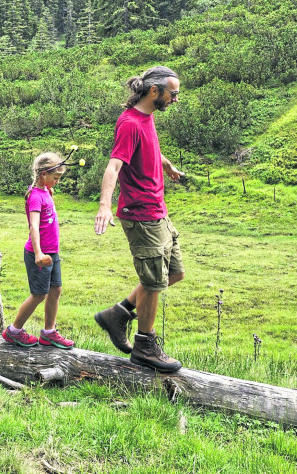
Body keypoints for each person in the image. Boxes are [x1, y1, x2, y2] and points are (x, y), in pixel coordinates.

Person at [93, 66, 186, 373]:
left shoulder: (146, 118)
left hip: (159, 211)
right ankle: (145, 346)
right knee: (154, 282)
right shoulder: (130, 123)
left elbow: (147, 150)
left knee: (173, 273)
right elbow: (114, 167)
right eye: (173, 93)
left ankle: (119, 313)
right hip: (141, 215)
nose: (176, 99)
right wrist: (105, 205)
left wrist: (167, 164)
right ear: (154, 91)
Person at [3, 151, 76, 349]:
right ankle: (14, 331)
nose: (58, 182)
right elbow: (34, 226)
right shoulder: (35, 196)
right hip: (40, 254)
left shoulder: (45, 191)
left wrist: (49, 189)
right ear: (43, 174)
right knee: (39, 294)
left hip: (52, 252)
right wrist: (38, 254)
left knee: (56, 289)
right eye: (56, 177)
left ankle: (49, 333)